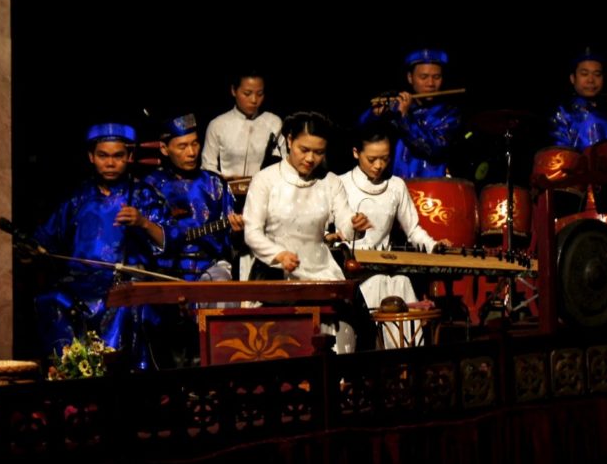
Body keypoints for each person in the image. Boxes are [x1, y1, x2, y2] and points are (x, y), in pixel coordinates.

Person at [33, 123, 169, 371]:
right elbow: (46, 238)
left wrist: (142, 222)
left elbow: (166, 239)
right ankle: (70, 373)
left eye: (118, 156)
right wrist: (32, 249)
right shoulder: (78, 197)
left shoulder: (143, 194)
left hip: (124, 280)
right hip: (79, 285)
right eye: (103, 156)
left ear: (129, 157)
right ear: (91, 157)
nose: (110, 163)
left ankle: (110, 375)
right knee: (50, 300)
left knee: (127, 305)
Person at [243, 112, 371, 353]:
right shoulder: (266, 180)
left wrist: (355, 226)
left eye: (319, 152)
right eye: (304, 149)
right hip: (275, 273)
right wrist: (279, 254)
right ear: (289, 141)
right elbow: (252, 232)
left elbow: (345, 225)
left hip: (321, 272)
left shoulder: (330, 181)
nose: (311, 158)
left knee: (346, 338)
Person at [338, 124, 452, 348]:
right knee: (377, 284)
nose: (379, 165)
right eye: (372, 159)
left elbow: (413, 230)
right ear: (355, 153)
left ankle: (406, 367)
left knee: (401, 282)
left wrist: (433, 245)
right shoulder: (340, 184)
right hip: (353, 272)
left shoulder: (395, 186)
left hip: (386, 268)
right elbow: (326, 232)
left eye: (385, 158)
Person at [145, 114, 243, 282]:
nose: (191, 152)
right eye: (182, 146)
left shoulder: (214, 183)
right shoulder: (151, 186)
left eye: (195, 144)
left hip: (210, 265)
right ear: (164, 148)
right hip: (163, 270)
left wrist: (237, 232)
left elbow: (231, 239)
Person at [359, 48, 461, 178]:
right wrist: (373, 115)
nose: (430, 83)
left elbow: (435, 148)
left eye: (436, 77)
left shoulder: (449, 113)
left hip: (431, 187)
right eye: (423, 77)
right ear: (410, 78)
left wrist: (405, 118)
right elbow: (360, 135)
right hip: (395, 185)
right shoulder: (396, 107)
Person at [202, 69, 285, 183]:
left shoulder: (273, 122)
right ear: (233, 91)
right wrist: (225, 180)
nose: (254, 100)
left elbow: (285, 162)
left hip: (264, 190)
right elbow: (208, 166)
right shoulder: (218, 125)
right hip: (228, 192)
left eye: (259, 94)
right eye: (247, 93)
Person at [550, 48, 607, 149]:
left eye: (597, 74)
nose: (591, 80)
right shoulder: (563, 113)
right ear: (572, 78)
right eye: (584, 74)